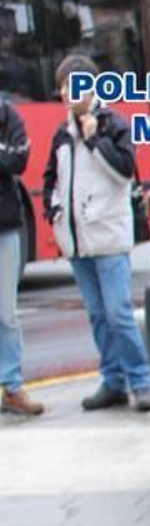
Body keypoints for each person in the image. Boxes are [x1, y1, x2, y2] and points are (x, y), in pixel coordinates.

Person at [42, 55, 150, 412]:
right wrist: (52, 210)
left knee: (118, 312)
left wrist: (94, 141)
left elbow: (124, 172)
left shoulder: (111, 124)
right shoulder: (62, 133)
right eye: (61, 87)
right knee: (97, 315)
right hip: (77, 242)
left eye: (70, 86)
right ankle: (113, 380)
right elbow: (51, 177)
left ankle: (141, 381)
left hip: (107, 236)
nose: (63, 93)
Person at [1, 93, 45, 417]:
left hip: (4, 227)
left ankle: (12, 387)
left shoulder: (7, 116)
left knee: (5, 313)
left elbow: (19, 160)